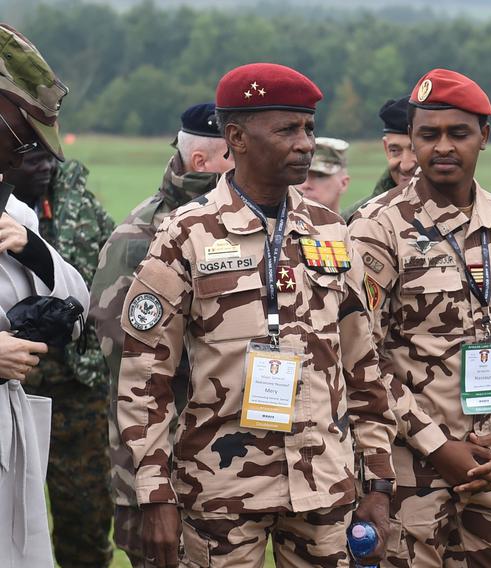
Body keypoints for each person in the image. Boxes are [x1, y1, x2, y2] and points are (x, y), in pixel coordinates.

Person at [116, 63, 396, 568]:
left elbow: (362, 362)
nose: (305, 144)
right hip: (220, 489)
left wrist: (378, 480)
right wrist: (154, 494)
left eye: (308, 128)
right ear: (237, 138)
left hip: (324, 485)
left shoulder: (331, 231)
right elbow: (145, 374)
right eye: (287, 129)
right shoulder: (187, 234)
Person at [349, 68, 491, 566]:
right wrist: (438, 447)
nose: (442, 147)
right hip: (410, 469)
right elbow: (360, 359)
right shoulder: (378, 227)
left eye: (458, 133)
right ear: (411, 139)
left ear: (484, 137)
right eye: (428, 134)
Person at [89, 102, 233, 567]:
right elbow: (123, 357)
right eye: (235, 153)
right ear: (202, 163)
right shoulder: (141, 237)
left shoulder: (237, 224)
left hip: (225, 465)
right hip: (158, 470)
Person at [0, 23, 90, 568]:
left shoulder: (14, 214)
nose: (28, 156)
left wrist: (34, 251)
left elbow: (77, 311)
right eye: (22, 137)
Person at [5, 137, 115, 567]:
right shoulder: (10, 211)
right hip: (16, 384)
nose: (43, 168)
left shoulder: (82, 210)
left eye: (49, 159)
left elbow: (102, 292)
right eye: (31, 159)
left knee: (85, 517)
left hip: (75, 388)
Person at [342, 97, 416, 220]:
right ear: (386, 149)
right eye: (395, 151)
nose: (405, 165)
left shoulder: (457, 211)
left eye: (415, 150)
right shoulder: (354, 219)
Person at [296, 136, 349, 214]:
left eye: (319, 176)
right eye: (301, 174)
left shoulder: (356, 225)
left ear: (343, 184)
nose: (305, 185)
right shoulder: (277, 224)